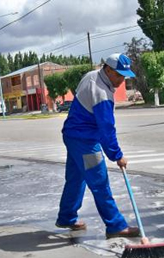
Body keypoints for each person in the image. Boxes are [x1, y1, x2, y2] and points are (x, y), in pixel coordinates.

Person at [56, 53, 146, 241]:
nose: (122, 80)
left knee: (75, 179)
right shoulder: (102, 93)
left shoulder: (91, 75)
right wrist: (117, 155)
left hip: (72, 135)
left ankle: (66, 217)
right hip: (86, 142)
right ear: (108, 69)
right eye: (119, 75)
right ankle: (115, 225)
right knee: (100, 183)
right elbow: (106, 129)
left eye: (124, 76)